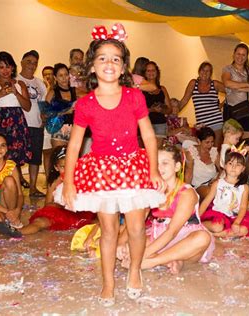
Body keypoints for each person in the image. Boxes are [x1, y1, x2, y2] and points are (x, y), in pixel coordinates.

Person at [56, 25, 166, 306]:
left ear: (124, 67)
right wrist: (68, 182)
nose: (109, 63)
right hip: (101, 172)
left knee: (136, 228)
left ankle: (134, 271)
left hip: (133, 168)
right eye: (102, 58)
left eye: (116, 58)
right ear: (92, 67)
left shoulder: (134, 96)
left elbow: (149, 136)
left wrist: (153, 170)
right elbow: (74, 145)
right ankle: (107, 282)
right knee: (107, 231)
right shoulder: (86, 104)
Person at [122, 144, 214, 274]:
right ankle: (172, 260)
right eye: (156, 163)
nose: (159, 168)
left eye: (165, 163)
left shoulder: (187, 193)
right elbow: (137, 222)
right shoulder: (151, 190)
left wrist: (143, 256)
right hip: (158, 235)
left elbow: (172, 232)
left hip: (184, 237)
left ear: (177, 167)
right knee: (128, 247)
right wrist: (122, 245)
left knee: (203, 238)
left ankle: (155, 261)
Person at [20, 146, 95, 234]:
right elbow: (47, 205)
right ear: (56, 167)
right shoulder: (55, 182)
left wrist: (60, 206)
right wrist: (53, 186)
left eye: (70, 166)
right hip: (58, 213)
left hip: (77, 214)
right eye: (63, 167)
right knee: (39, 221)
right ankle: (18, 232)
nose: (67, 170)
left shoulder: (81, 179)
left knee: (98, 221)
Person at [199, 150, 249, 237]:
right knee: (217, 227)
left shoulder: (244, 187)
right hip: (218, 215)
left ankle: (217, 234)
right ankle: (201, 227)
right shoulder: (218, 183)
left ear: (243, 169)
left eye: (238, 165)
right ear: (225, 166)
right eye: (230, 163)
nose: (233, 167)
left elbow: (243, 207)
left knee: (244, 230)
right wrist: (197, 218)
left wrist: (237, 222)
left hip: (234, 217)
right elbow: (206, 202)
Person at [0, 51, 32, 168]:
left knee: (15, 160)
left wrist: (16, 93)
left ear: (13, 68)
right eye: (1, 67)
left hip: (17, 123)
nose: (5, 70)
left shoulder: (20, 84)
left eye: (8, 66)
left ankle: (15, 182)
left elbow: (27, 107)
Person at [17, 50, 47, 197]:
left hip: (36, 125)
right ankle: (17, 188)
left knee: (35, 158)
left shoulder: (40, 84)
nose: (32, 65)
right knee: (16, 158)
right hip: (19, 125)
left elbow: (44, 105)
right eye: (29, 61)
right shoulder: (15, 80)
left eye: (34, 63)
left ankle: (33, 188)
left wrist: (44, 118)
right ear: (21, 62)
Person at [179, 61, 225, 147]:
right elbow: (184, 100)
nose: (205, 73)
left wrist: (222, 104)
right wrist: (173, 113)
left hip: (216, 121)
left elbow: (230, 92)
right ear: (199, 71)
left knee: (215, 149)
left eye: (208, 71)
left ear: (211, 73)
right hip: (202, 124)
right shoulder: (193, 83)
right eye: (203, 70)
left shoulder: (214, 84)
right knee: (204, 149)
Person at [222, 43, 249, 138]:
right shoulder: (227, 69)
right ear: (234, 54)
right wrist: (248, 85)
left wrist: (237, 87)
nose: (240, 57)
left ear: (247, 57)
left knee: (246, 142)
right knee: (231, 141)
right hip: (232, 109)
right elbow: (227, 83)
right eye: (238, 54)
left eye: (243, 54)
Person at [45, 63, 77, 148]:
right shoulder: (52, 93)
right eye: (60, 75)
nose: (64, 78)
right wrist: (65, 112)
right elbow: (45, 114)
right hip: (59, 129)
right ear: (55, 77)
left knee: (74, 160)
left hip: (75, 130)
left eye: (66, 74)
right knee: (59, 159)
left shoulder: (75, 91)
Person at [184, 127, 219, 199]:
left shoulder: (213, 152)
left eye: (212, 142)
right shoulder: (191, 152)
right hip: (199, 186)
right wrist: (187, 192)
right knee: (209, 192)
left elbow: (222, 170)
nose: (210, 145)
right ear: (199, 141)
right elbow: (188, 174)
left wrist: (216, 179)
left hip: (214, 183)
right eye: (207, 142)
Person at [143, 61, 170, 143]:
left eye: (153, 70)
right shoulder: (140, 89)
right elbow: (136, 110)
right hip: (145, 125)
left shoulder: (162, 89)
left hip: (160, 124)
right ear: (145, 73)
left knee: (159, 152)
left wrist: (162, 110)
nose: (151, 73)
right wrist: (152, 110)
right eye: (148, 70)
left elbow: (170, 109)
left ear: (157, 72)